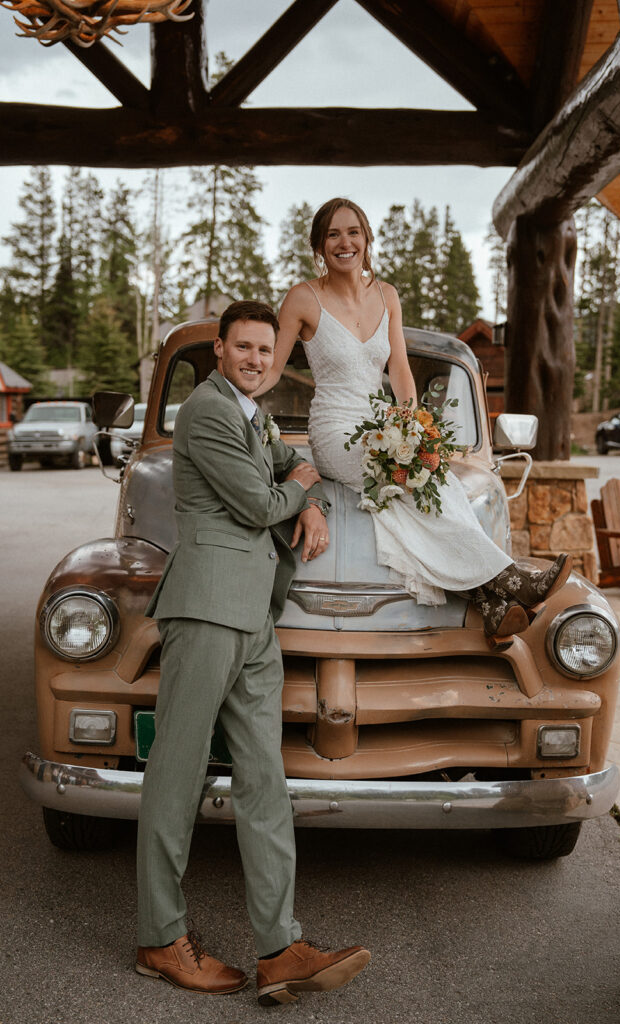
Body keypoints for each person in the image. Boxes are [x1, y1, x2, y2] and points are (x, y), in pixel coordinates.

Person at [136, 300, 370, 1006]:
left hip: (255, 619)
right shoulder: (206, 411)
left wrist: (306, 497)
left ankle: (280, 948)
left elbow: (291, 463)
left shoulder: (252, 413)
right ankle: (159, 936)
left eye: (266, 351)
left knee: (265, 782)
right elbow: (253, 502)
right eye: (243, 348)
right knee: (175, 777)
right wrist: (299, 494)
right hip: (207, 608)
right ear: (219, 350)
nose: (256, 360)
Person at [255, 198, 572, 640]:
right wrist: (235, 392)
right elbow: (271, 368)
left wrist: (413, 425)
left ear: (367, 240)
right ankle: (510, 579)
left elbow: (399, 368)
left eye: (353, 233)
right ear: (319, 245)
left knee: (437, 477)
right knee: (407, 483)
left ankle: (491, 601)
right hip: (335, 430)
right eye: (332, 234)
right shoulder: (302, 299)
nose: (344, 243)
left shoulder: (387, 295)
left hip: (384, 423)